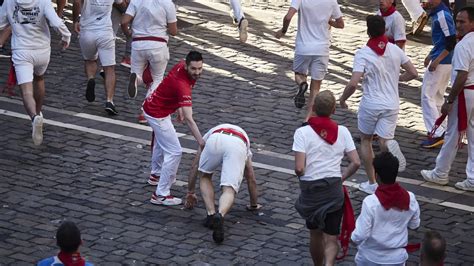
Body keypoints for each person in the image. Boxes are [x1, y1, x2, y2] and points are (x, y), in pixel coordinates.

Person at [339, 15, 418, 194]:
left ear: (368, 32)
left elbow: (353, 83)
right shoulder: (395, 50)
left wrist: (343, 99)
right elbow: (413, 72)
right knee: (385, 140)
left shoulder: (363, 53)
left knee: (366, 140)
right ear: (385, 30)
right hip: (392, 103)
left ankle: (372, 182)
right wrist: (397, 80)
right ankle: (388, 154)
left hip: (371, 104)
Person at [292, 90, 360, 266]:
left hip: (311, 190)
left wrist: (301, 174)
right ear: (334, 110)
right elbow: (356, 162)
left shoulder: (302, 133)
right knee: (331, 236)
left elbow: (299, 167)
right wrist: (342, 177)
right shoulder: (343, 132)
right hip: (333, 189)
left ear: (313, 108)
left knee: (315, 233)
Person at [0, 0, 70, 145]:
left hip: (22, 50)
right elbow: (56, 23)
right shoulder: (43, 1)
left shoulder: (9, 1)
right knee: (39, 79)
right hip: (42, 50)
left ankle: (33, 117)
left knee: (26, 92)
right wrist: (66, 36)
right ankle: (39, 112)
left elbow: (1, 22)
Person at [421, 7, 474, 192]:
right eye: (457, 21)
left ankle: (441, 172)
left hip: (465, 93)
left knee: (452, 134)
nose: (458, 25)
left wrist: (449, 100)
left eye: (462, 22)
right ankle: (472, 177)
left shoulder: (463, 45)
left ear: (472, 23)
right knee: (472, 135)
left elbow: (461, 75)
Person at [143, 51, 205, 206]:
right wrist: (202, 142)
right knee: (174, 151)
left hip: (153, 107)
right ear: (186, 66)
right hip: (157, 114)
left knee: (160, 140)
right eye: (193, 69)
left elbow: (169, 85)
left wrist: (177, 107)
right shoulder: (182, 85)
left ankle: (156, 175)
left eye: (200, 68)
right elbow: (190, 119)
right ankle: (161, 194)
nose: (197, 73)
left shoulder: (181, 65)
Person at [184, 123, 260, 243]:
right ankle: (220, 214)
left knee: (205, 176)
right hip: (237, 143)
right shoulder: (245, 143)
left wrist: (190, 191)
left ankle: (211, 214)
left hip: (215, 140)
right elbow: (250, 177)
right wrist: (253, 204)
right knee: (229, 189)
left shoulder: (209, 134)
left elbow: (195, 165)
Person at [275, 0, 344, 122]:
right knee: (315, 88)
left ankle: (301, 84)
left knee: (298, 74)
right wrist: (329, 21)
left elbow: (288, 17)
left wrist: (283, 31)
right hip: (322, 49)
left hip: (303, 47)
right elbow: (341, 24)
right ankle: (307, 119)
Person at [351, 152, 421, 266]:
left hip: (370, 258)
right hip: (397, 259)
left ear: (376, 175)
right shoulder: (411, 198)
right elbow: (414, 225)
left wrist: (351, 240)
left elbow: (360, 235)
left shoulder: (370, 203)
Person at [121, 0, 177, 123]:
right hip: (158, 44)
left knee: (137, 73)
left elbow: (124, 21)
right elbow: (173, 31)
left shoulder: (136, 1)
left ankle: (135, 79)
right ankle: (144, 111)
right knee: (157, 78)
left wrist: (127, 32)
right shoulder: (168, 4)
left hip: (138, 44)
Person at [72, 0, 126, 115]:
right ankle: (109, 100)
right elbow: (122, 5)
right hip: (105, 32)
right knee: (109, 68)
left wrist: (76, 20)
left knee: (90, 60)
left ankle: (91, 78)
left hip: (87, 30)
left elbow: (76, 2)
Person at [420, 0, 457, 148]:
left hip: (442, 62)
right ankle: (443, 129)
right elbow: (443, 40)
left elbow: (450, 41)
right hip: (445, 60)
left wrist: (436, 60)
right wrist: (431, 55)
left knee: (427, 96)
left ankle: (436, 132)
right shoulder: (440, 13)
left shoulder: (442, 15)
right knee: (437, 96)